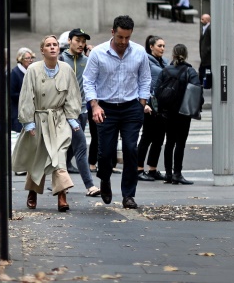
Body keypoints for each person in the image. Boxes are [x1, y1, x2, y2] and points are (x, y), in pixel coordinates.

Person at [83, 15, 152, 209]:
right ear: (113, 32)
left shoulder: (139, 52)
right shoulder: (98, 53)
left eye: (127, 38)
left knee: (131, 149)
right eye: (120, 37)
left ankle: (128, 195)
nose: (123, 42)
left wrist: (142, 102)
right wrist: (94, 105)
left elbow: (145, 79)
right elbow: (88, 80)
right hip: (106, 107)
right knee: (106, 153)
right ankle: (104, 179)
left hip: (131, 107)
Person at [12, 35, 82, 212]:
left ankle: (62, 195)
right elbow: (26, 96)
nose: (52, 47)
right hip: (39, 118)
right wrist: (28, 122)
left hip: (58, 120)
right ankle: (33, 192)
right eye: (48, 45)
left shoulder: (66, 70)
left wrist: (72, 118)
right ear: (42, 50)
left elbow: (72, 95)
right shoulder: (33, 70)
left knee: (59, 158)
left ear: (59, 48)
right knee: (39, 158)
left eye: (55, 45)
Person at [58, 28, 101, 197]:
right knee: (81, 146)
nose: (81, 44)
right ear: (69, 40)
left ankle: (60, 182)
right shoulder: (61, 59)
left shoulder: (87, 60)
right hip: (64, 113)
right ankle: (90, 186)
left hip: (82, 111)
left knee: (69, 148)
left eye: (83, 42)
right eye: (77, 40)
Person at [157, 43, 203, 185]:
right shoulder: (190, 71)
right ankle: (177, 173)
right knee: (180, 144)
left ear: (173, 54)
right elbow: (197, 92)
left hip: (168, 113)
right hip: (183, 113)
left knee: (169, 142)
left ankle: (168, 174)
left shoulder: (165, 70)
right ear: (186, 54)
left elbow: (157, 91)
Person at [137, 35, 168, 182]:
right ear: (151, 46)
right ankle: (138, 169)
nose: (162, 48)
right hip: (149, 105)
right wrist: (144, 103)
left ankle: (152, 169)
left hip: (162, 106)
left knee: (159, 139)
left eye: (163, 46)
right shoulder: (146, 61)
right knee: (146, 137)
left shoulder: (164, 62)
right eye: (159, 46)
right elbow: (140, 82)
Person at [10, 47, 35, 134]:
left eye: (31, 58)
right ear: (21, 59)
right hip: (18, 112)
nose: (30, 60)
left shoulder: (32, 72)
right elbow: (12, 94)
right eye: (27, 58)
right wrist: (27, 96)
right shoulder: (15, 73)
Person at [198, 14, 212, 87]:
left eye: (202, 19)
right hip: (204, 54)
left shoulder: (210, 29)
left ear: (207, 20)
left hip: (207, 55)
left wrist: (207, 50)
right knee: (203, 69)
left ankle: (203, 83)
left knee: (203, 69)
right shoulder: (204, 28)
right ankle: (203, 83)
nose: (201, 21)